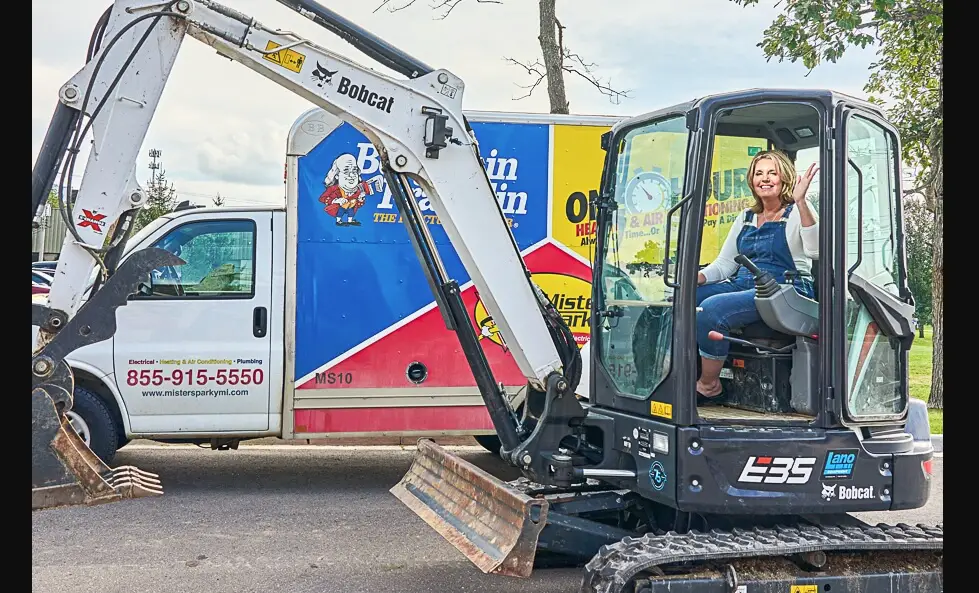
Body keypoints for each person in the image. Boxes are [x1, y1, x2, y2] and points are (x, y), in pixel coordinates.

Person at [695, 149, 819, 401]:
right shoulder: (746, 217)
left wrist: (802, 201)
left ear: (784, 177)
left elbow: (815, 250)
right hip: (744, 283)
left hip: (787, 289)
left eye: (772, 173)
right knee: (685, 298)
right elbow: (725, 264)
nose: (765, 178)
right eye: (759, 173)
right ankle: (686, 374)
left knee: (711, 308)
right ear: (751, 181)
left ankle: (709, 386)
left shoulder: (797, 211)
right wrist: (695, 278)